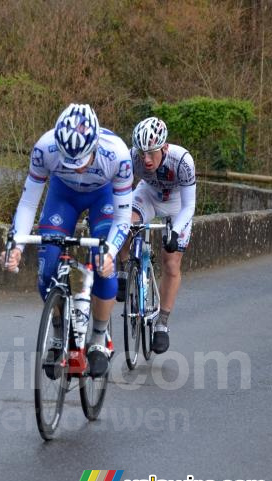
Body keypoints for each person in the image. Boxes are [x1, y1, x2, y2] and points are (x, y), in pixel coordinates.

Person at [1, 103, 133, 378]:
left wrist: (109, 252)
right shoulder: (44, 148)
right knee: (47, 268)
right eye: (69, 160)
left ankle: (99, 337)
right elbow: (28, 203)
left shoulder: (118, 155)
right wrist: (16, 246)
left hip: (103, 197)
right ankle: (59, 331)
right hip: (63, 197)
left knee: (101, 265)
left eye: (82, 160)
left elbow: (122, 218)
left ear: (95, 146)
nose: (77, 167)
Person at [118, 116, 196, 354]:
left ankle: (162, 324)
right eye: (142, 153)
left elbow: (189, 206)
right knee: (124, 223)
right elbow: (120, 192)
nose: (146, 159)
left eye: (152, 153)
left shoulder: (182, 161)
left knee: (171, 262)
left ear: (164, 147)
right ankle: (123, 269)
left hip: (175, 204)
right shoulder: (132, 157)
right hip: (149, 195)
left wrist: (174, 232)